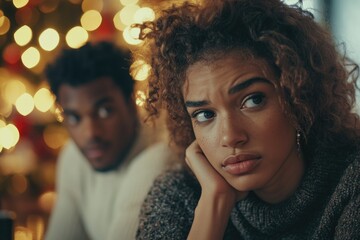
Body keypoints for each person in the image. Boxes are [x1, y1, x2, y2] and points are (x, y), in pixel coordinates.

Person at [133, 0, 360, 239]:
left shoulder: (351, 184)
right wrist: (213, 206)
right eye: (205, 115)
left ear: (299, 96)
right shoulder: (177, 196)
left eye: (253, 101)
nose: (230, 136)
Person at [44, 41, 175, 240]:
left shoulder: (159, 157)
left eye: (105, 111)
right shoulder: (73, 157)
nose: (90, 133)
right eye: (74, 118)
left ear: (131, 102)